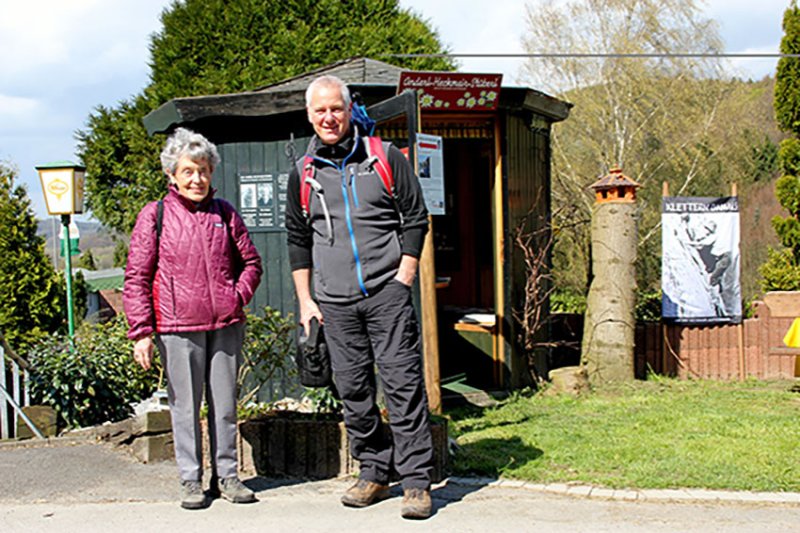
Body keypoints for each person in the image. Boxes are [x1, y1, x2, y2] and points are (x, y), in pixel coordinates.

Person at [285, 75, 434, 519]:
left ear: (349, 111)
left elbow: (415, 218)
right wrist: (305, 300)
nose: (329, 118)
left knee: (403, 386)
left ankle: (416, 483)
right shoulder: (303, 173)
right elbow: (297, 238)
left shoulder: (384, 157)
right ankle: (373, 471)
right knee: (353, 390)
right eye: (320, 111)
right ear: (310, 117)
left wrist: (403, 277)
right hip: (333, 302)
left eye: (336, 109)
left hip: (387, 292)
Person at [124, 127, 263, 510]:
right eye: (188, 170)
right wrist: (141, 332)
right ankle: (190, 480)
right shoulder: (156, 215)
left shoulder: (225, 213)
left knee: (225, 406)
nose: (197, 178)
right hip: (176, 328)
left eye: (203, 170)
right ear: (172, 175)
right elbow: (136, 276)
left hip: (225, 325)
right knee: (185, 408)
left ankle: (228, 476)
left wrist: (236, 298)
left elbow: (251, 263)